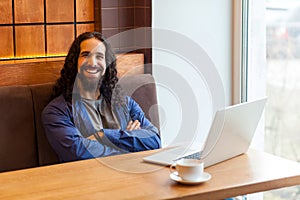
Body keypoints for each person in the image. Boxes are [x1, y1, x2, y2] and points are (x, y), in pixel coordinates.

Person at [42, 32, 161, 162]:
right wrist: (131, 140)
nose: (93, 63)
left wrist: (103, 135)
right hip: (87, 180)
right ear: (74, 62)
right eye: (85, 55)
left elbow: (154, 140)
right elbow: (78, 153)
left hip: (131, 176)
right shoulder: (57, 111)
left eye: (99, 56)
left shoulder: (125, 103)